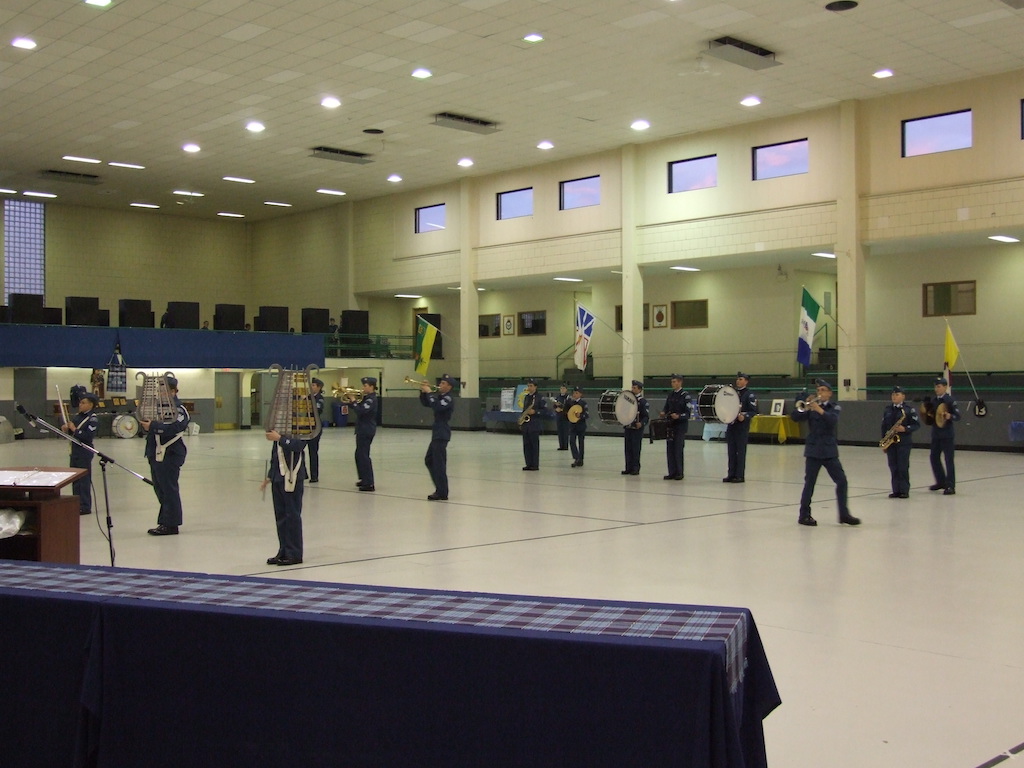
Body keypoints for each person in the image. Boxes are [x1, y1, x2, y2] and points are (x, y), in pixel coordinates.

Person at [789, 379, 860, 527]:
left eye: (823, 390)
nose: (819, 393)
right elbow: (795, 417)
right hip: (813, 450)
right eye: (818, 390)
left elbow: (832, 420)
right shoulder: (811, 408)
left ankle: (844, 514)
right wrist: (803, 403)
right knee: (810, 483)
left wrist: (818, 409)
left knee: (842, 481)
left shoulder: (834, 407)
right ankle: (804, 515)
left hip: (829, 451)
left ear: (829, 393)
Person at [141, 376, 190, 535]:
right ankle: (165, 520)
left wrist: (153, 425)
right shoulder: (156, 408)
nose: (161, 394)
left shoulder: (179, 410)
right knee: (160, 488)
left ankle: (171, 524)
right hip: (155, 452)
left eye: (165, 391)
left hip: (170, 453)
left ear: (174, 391)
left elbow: (174, 427)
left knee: (169, 489)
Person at [259, 427, 305, 566]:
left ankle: (294, 553)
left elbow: (299, 445)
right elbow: (276, 453)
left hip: (292, 475)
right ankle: (284, 550)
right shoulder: (280, 426)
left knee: (292, 515)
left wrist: (280, 439)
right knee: (281, 516)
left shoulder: (299, 425)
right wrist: (270, 475)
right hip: (278, 476)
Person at [63, 391, 99, 516]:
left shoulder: (92, 419)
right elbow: (72, 434)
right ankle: (76, 503)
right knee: (75, 478)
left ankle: (85, 506)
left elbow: (88, 436)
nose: (80, 405)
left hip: (84, 451)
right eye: (80, 402)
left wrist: (74, 429)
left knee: (83, 480)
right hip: (75, 450)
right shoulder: (78, 417)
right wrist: (67, 429)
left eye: (83, 403)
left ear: (91, 405)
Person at [881, 385, 920, 498]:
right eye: (893, 394)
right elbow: (883, 426)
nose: (894, 396)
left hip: (904, 442)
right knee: (893, 466)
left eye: (897, 394)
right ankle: (896, 490)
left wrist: (905, 429)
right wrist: (884, 442)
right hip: (891, 442)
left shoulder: (908, 410)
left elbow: (916, 425)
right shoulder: (888, 409)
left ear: (903, 396)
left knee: (902, 466)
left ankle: (904, 490)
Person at [421, 374, 455, 500]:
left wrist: (429, 393)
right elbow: (427, 403)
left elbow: (437, 407)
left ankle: (442, 492)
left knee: (439, 463)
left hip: (442, 432)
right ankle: (440, 488)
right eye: (440, 383)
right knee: (429, 460)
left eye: (443, 383)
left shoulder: (448, 398)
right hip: (437, 432)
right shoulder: (441, 397)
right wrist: (423, 392)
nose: (440, 385)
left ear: (449, 387)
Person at [927, 377, 961, 495]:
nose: (936, 389)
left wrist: (950, 416)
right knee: (934, 457)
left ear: (945, 387)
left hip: (947, 434)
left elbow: (958, 416)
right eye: (935, 386)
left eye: (939, 386)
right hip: (936, 434)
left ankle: (950, 485)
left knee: (948, 459)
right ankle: (940, 481)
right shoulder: (933, 401)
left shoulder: (950, 400)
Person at [724, 372, 758, 483]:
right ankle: (731, 474)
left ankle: (739, 475)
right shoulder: (732, 393)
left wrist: (744, 416)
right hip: (732, 425)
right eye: (737, 379)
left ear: (746, 381)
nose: (738, 381)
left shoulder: (749, 395)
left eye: (741, 379)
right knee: (731, 451)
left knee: (740, 451)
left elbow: (753, 411)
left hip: (741, 427)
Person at [349, 376, 378, 491]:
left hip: (366, 429)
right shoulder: (366, 398)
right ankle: (363, 478)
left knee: (364, 456)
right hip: (362, 429)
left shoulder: (371, 399)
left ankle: (369, 483)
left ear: (372, 387)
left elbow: (361, 411)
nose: (363, 388)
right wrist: (351, 401)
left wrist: (354, 401)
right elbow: (357, 407)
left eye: (365, 386)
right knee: (359, 455)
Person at [660, 374, 691, 480]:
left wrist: (679, 416)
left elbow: (688, 413)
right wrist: (663, 413)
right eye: (672, 382)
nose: (672, 384)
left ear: (680, 382)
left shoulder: (685, 396)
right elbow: (666, 407)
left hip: (680, 426)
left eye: (674, 382)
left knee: (678, 449)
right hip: (670, 425)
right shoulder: (671, 395)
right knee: (670, 450)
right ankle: (672, 472)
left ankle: (679, 472)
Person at [622, 380, 649, 475]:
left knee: (635, 448)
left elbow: (646, 416)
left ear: (640, 390)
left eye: (634, 388)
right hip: (628, 427)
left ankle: (635, 468)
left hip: (637, 429)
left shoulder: (642, 402)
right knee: (628, 448)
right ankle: (628, 467)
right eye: (632, 387)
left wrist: (641, 423)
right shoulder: (628, 400)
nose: (632, 389)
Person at [520, 378, 544, 471]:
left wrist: (535, 411)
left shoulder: (539, 397)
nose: (529, 388)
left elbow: (545, 411)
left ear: (535, 387)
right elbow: (524, 410)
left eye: (531, 386)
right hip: (526, 424)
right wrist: (522, 419)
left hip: (534, 424)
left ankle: (535, 464)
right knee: (526, 445)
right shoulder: (526, 397)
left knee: (534, 445)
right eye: (528, 386)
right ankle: (528, 463)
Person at [305, 377, 325, 483]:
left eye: (313, 385)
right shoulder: (309, 397)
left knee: (313, 452)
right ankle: (303, 473)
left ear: (319, 387)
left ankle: (314, 476)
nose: (311, 387)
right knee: (298, 449)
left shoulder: (319, 398)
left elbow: (317, 410)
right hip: (306, 425)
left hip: (315, 427)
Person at [567, 385, 589, 467]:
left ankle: (580, 459)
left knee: (581, 442)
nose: (574, 394)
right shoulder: (570, 403)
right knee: (572, 441)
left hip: (581, 425)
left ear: (580, 394)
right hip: (572, 425)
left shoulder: (583, 403)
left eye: (576, 393)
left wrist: (580, 415)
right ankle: (576, 457)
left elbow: (587, 415)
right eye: (574, 393)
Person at [552, 382, 570, 451]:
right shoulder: (558, 397)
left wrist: (562, 409)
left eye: (564, 388)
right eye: (561, 388)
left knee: (565, 431)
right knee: (560, 431)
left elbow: (569, 407)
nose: (562, 390)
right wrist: (556, 408)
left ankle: (565, 445)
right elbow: (554, 406)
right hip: (559, 416)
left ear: (566, 390)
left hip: (565, 417)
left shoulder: (568, 398)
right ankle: (561, 445)